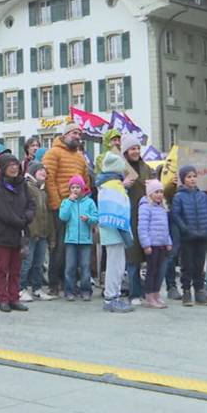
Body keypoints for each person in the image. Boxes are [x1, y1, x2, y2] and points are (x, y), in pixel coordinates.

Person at [42, 123, 89, 297]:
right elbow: (49, 180)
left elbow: (85, 182)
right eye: (75, 133)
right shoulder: (53, 153)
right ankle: (54, 283)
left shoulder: (80, 157)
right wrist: (57, 205)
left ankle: (69, 282)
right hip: (61, 207)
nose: (78, 136)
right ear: (66, 134)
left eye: (80, 134)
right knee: (59, 247)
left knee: (73, 246)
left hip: (78, 208)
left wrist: (85, 203)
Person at [0, 154, 34, 313]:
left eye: (16, 165)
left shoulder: (23, 186)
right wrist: (17, 221)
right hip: (1, 235)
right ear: (3, 168)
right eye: (10, 165)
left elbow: (30, 205)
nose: (14, 168)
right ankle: (2, 298)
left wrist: (27, 217)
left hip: (18, 235)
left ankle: (14, 297)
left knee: (15, 269)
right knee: (1, 269)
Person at [96, 153, 134, 313]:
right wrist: (126, 233)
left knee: (117, 265)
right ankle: (111, 297)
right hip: (115, 232)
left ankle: (114, 295)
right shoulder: (112, 186)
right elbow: (117, 211)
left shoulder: (109, 184)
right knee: (115, 266)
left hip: (112, 232)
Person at [171, 165, 207, 307]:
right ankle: (186, 290)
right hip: (187, 237)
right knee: (187, 265)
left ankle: (199, 290)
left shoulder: (203, 196)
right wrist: (185, 229)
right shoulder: (179, 197)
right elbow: (176, 215)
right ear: (183, 179)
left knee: (199, 265)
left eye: (194, 176)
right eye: (189, 177)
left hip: (202, 236)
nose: (192, 179)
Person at [121, 134, 151, 306]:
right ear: (125, 151)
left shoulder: (145, 167)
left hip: (145, 215)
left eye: (138, 148)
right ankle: (134, 293)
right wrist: (123, 185)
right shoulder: (121, 169)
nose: (136, 151)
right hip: (128, 214)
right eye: (132, 148)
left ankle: (149, 291)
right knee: (132, 257)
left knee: (147, 254)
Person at [60, 175, 98, 301]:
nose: (75, 189)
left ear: (82, 188)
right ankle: (69, 291)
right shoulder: (66, 202)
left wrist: (89, 219)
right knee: (70, 267)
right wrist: (70, 202)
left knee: (85, 267)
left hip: (85, 240)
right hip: (70, 240)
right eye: (73, 187)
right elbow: (63, 217)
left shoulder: (89, 202)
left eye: (78, 187)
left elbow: (96, 217)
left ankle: (86, 290)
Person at [20, 163, 54, 301]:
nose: (43, 173)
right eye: (40, 170)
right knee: (26, 263)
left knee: (39, 264)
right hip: (30, 232)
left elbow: (47, 213)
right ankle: (20, 289)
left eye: (45, 171)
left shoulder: (43, 191)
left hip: (42, 232)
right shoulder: (26, 187)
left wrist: (50, 234)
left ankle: (37, 288)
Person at [137, 180, 171, 309]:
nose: (159, 194)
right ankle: (149, 295)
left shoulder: (162, 207)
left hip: (162, 244)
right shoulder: (145, 206)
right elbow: (142, 227)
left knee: (160, 271)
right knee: (152, 271)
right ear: (150, 193)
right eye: (156, 192)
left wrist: (168, 241)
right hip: (152, 245)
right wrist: (146, 244)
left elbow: (165, 227)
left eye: (161, 192)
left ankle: (156, 293)